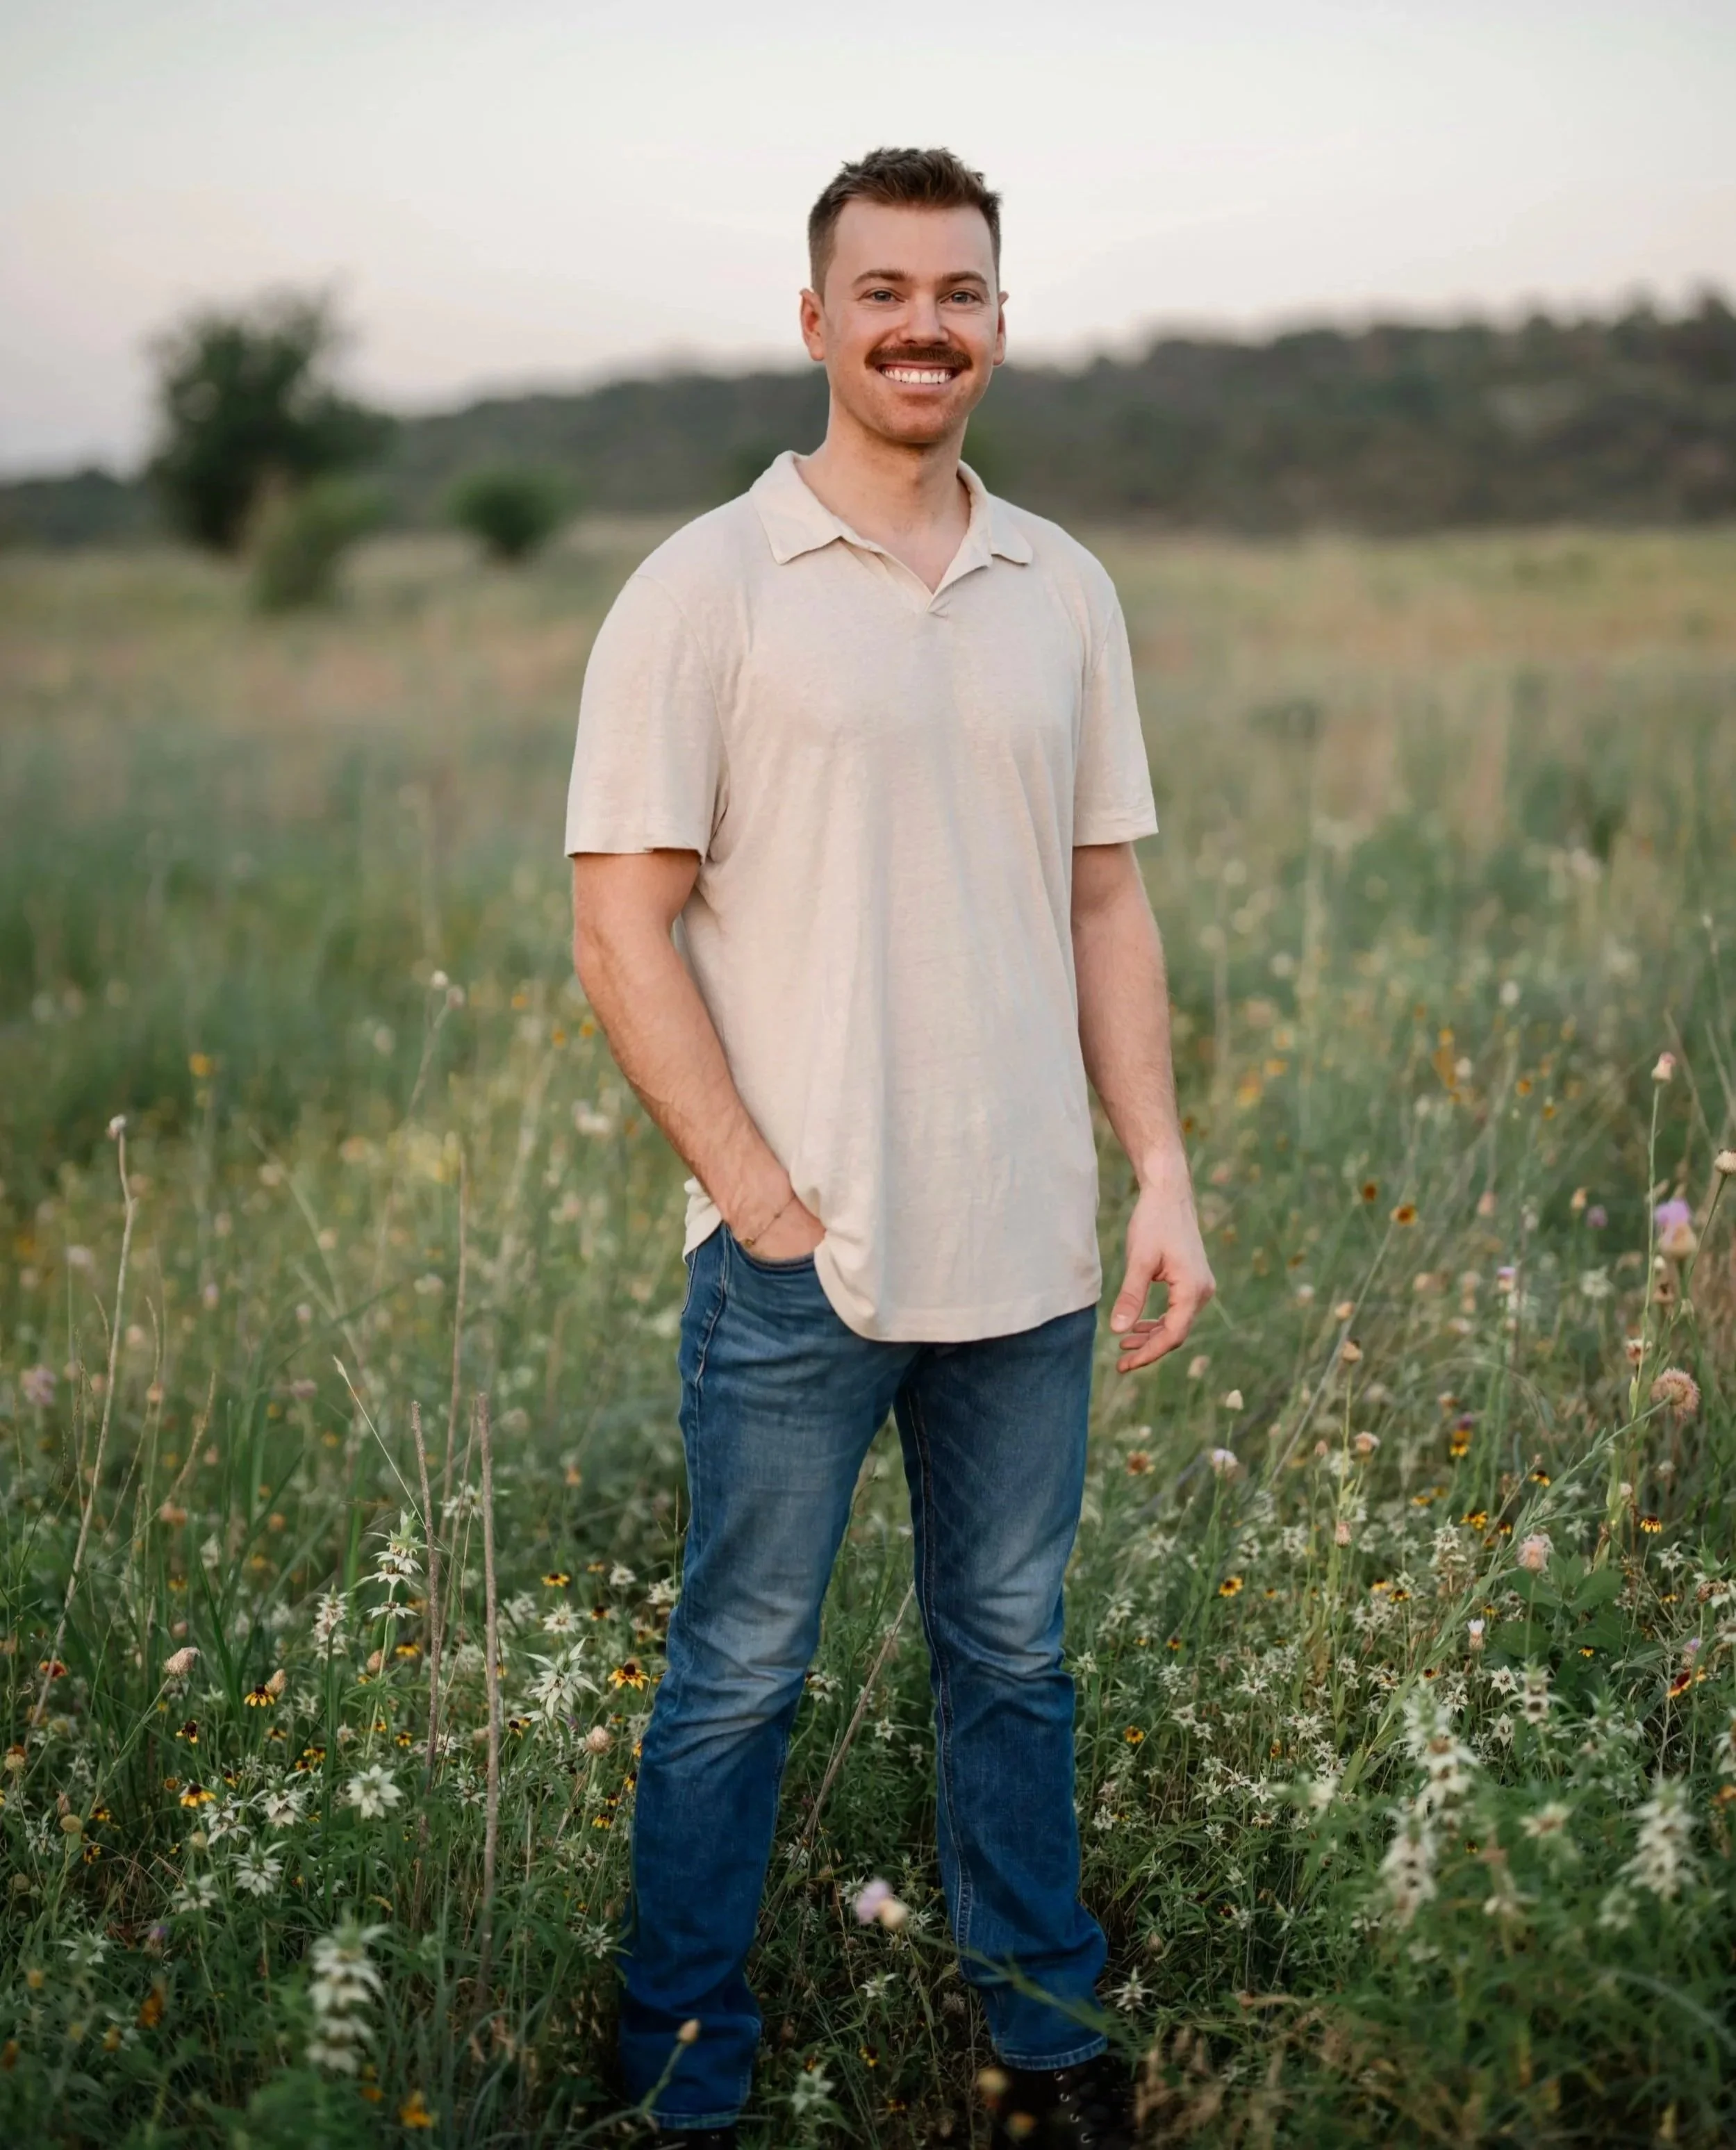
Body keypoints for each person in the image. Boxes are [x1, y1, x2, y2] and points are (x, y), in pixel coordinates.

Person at [566, 145, 1214, 2149]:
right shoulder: (710, 585)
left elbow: (1108, 901)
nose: (925, 323)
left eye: (961, 290)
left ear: (999, 321)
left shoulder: (1062, 586)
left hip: (1027, 1248)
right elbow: (618, 916)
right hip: (801, 1259)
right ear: (817, 319)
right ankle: (686, 2072)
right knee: (741, 1674)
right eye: (886, 290)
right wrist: (757, 1193)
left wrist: (1163, 1172)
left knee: (1014, 1661)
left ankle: (1044, 2037)